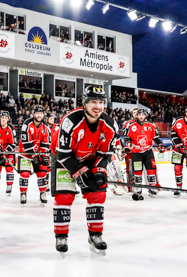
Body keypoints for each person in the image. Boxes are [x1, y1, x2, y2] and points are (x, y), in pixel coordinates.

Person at [52, 85, 117, 254]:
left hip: (90, 159)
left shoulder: (110, 125)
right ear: (85, 104)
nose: (98, 106)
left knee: (98, 194)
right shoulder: (70, 121)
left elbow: (105, 154)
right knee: (64, 197)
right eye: (93, 102)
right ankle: (61, 236)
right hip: (64, 160)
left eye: (101, 102)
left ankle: (95, 235)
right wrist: (79, 172)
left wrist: (100, 171)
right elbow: (63, 154)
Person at [123, 108, 163, 201]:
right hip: (136, 152)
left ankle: (152, 188)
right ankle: (138, 190)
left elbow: (156, 137)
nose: (141, 116)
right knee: (137, 172)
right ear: (137, 116)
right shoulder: (130, 125)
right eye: (139, 115)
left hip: (148, 151)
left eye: (143, 115)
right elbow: (126, 137)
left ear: (145, 116)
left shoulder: (151, 126)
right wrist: (128, 144)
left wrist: (160, 145)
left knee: (151, 170)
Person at [18, 106, 51, 206]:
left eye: (41, 113)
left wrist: (44, 156)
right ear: (33, 114)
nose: (39, 115)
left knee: (42, 174)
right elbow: (26, 142)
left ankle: (43, 194)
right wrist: (33, 155)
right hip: (26, 153)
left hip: (38, 153)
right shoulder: (26, 124)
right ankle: (23, 194)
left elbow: (45, 143)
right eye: (37, 113)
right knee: (24, 174)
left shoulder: (45, 127)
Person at [0, 112, 17, 196]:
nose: (4, 119)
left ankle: (9, 186)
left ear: (8, 119)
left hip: (8, 152)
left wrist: (6, 151)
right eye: (2, 118)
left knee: (9, 169)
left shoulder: (11, 128)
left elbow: (13, 143)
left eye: (5, 118)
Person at [121, 108, 139, 192]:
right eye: (134, 112)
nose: (135, 114)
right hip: (130, 149)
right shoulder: (127, 123)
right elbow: (125, 136)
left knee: (140, 168)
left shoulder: (144, 124)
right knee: (129, 168)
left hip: (140, 150)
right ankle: (130, 186)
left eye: (137, 112)